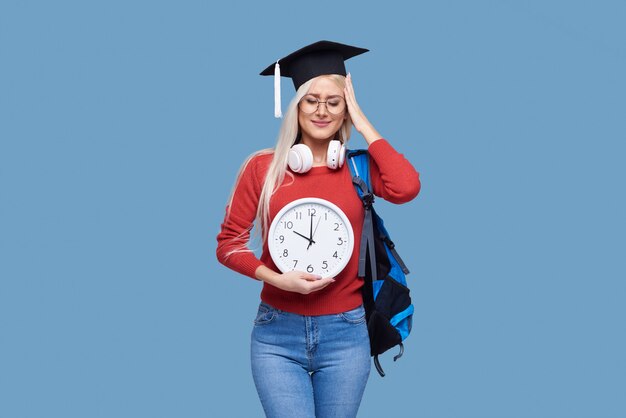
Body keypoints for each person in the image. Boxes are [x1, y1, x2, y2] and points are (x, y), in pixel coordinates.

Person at [216, 40, 421, 418]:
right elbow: (228, 244)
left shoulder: (359, 170)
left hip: (346, 334)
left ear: (345, 109)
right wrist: (276, 280)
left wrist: (361, 120)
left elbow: (407, 187)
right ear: (295, 106)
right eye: (311, 100)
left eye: (334, 101)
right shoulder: (263, 169)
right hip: (277, 333)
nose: (322, 111)